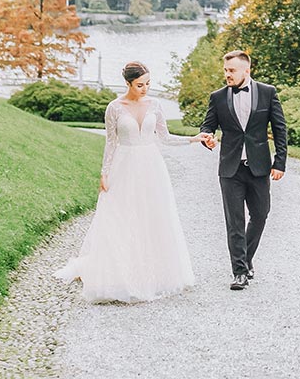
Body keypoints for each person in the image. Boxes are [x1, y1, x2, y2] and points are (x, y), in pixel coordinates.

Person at [54, 61, 203, 303]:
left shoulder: (155, 104)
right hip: (125, 166)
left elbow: (164, 138)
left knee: (153, 216)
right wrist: (104, 173)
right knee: (122, 216)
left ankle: (154, 273)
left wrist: (193, 139)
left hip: (152, 167)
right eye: (139, 85)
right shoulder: (114, 107)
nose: (145, 88)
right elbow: (110, 143)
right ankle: (120, 273)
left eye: (148, 84)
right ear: (128, 83)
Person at [198, 50, 287, 290]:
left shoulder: (268, 93)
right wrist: (207, 138)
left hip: (258, 168)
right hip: (230, 168)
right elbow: (208, 125)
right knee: (234, 222)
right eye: (225, 70)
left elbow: (280, 129)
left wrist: (280, 162)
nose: (227, 74)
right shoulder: (217, 97)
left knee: (261, 214)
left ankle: (246, 259)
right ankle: (239, 272)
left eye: (232, 70)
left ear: (246, 70)